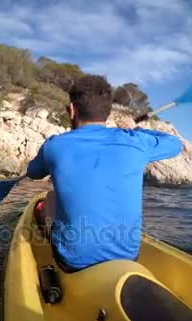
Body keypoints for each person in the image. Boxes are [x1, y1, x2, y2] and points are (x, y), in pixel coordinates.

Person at [27, 75, 183, 272]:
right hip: (128, 259)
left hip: (72, 262)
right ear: (107, 114)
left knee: (49, 197)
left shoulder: (54, 145)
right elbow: (175, 145)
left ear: (72, 110)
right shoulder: (135, 141)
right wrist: (136, 130)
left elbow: (33, 173)